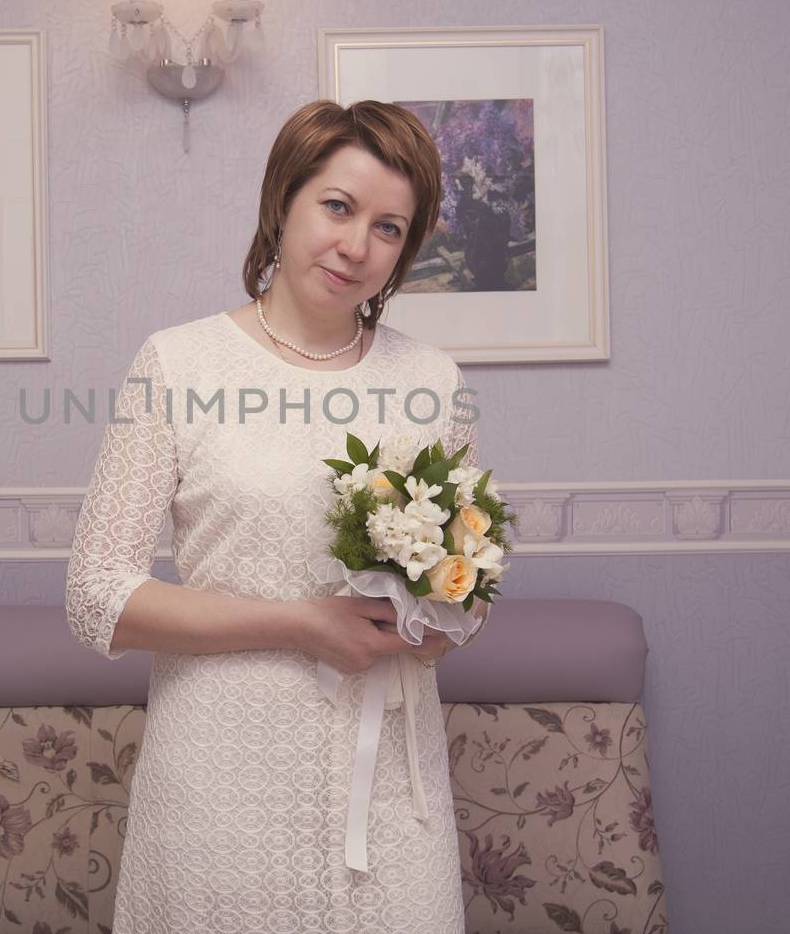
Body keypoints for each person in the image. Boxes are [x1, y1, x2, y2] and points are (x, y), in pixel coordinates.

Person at [65, 99, 492, 932]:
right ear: (285, 200)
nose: (355, 245)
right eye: (337, 207)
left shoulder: (433, 381)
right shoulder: (178, 363)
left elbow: (466, 585)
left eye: (389, 227)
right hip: (219, 787)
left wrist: (437, 620)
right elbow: (96, 594)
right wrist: (304, 623)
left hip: (394, 795)